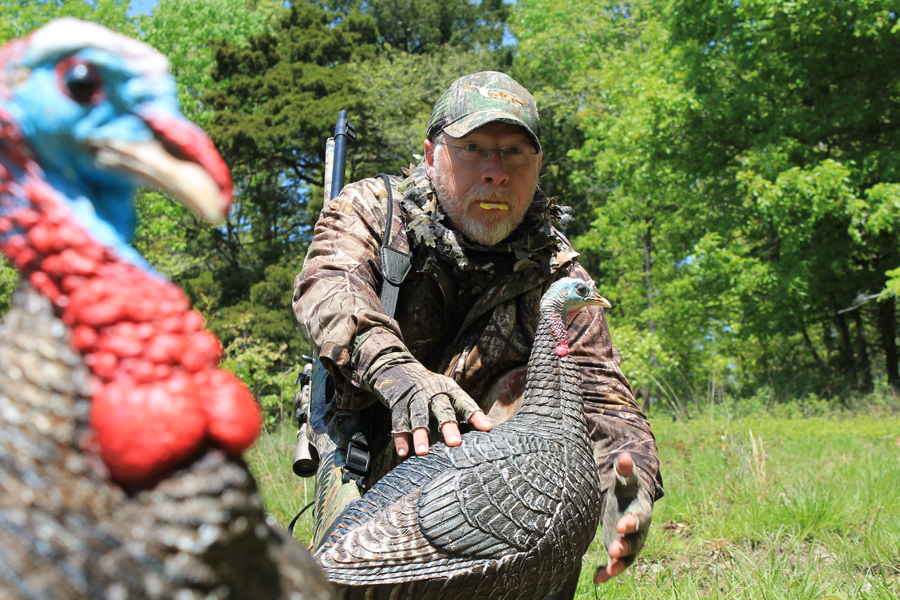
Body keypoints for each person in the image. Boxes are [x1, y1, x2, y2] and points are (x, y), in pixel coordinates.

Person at [293, 71, 664, 596]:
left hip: (492, 482)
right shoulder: (374, 211)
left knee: (546, 415)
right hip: (375, 445)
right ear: (431, 155)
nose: (496, 172)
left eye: (514, 152)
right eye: (473, 149)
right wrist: (398, 373)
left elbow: (605, 399)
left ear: (538, 165)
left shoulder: (555, 270)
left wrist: (629, 489)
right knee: (343, 580)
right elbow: (329, 291)